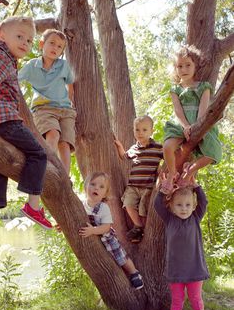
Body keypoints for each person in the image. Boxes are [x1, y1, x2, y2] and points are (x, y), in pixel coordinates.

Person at [0, 16, 52, 229]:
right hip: (5, 118)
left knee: (1, 161)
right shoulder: (2, 57)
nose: (25, 43)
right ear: (2, 35)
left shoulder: (7, 57)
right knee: (39, 154)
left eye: (29, 41)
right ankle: (33, 205)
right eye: (19, 37)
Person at [162, 45, 222, 194]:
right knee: (167, 147)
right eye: (179, 66)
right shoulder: (175, 89)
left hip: (200, 123)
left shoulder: (204, 87)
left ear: (195, 66)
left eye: (188, 65)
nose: (184, 69)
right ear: (175, 69)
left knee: (213, 154)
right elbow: (177, 110)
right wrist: (186, 126)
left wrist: (196, 127)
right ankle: (171, 174)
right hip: (180, 124)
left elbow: (203, 109)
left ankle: (189, 172)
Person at [18, 29, 76, 175]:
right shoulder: (32, 65)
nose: (55, 48)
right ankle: (47, 169)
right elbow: (15, 79)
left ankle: (64, 177)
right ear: (41, 44)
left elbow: (70, 84)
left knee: (65, 143)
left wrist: (70, 101)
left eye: (59, 47)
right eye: (52, 43)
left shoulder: (63, 65)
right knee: (53, 134)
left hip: (65, 110)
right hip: (44, 109)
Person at [155, 179, 209, 310]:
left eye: (188, 205)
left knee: (195, 298)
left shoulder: (196, 218)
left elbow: (204, 202)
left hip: (195, 269)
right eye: (179, 205)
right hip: (175, 271)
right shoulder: (169, 220)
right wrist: (163, 191)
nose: (184, 209)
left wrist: (197, 187)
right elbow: (158, 205)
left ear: (193, 207)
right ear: (171, 207)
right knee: (177, 299)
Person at [79, 172, 144, 290]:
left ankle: (134, 273)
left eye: (101, 187)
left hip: (106, 238)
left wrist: (93, 230)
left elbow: (106, 227)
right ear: (85, 186)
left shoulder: (103, 207)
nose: (96, 188)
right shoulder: (81, 205)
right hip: (93, 237)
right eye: (92, 184)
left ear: (105, 193)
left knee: (121, 257)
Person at [114, 115, 163, 243]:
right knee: (128, 204)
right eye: (137, 130)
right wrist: (119, 146)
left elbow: (168, 157)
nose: (140, 133)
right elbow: (124, 157)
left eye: (144, 130)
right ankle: (138, 226)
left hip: (148, 186)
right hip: (133, 185)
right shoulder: (134, 148)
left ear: (152, 131)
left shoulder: (158, 147)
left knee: (143, 209)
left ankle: (145, 231)